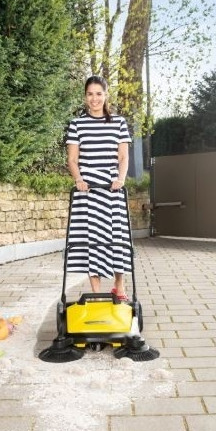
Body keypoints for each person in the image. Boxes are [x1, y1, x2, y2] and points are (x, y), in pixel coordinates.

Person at [65, 75, 133, 300]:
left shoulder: (119, 122)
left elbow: (123, 157)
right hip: (88, 190)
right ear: (85, 96)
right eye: (90, 94)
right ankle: (97, 295)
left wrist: (120, 179)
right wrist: (78, 179)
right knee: (91, 240)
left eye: (99, 94)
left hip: (111, 189)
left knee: (116, 237)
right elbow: (72, 159)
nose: (94, 99)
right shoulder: (77, 124)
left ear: (105, 95)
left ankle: (119, 287)